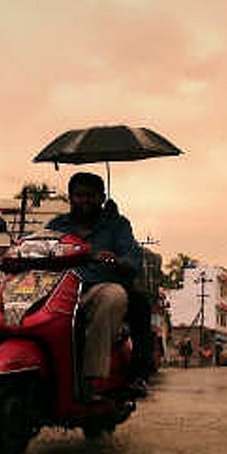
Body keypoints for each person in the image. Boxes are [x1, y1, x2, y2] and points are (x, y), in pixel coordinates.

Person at [47, 172, 144, 401]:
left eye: (91, 195)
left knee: (114, 296)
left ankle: (91, 379)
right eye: (79, 195)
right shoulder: (56, 225)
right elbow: (39, 247)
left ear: (102, 198)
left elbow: (133, 260)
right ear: (70, 197)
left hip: (98, 290)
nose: (85, 200)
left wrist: (116, 260)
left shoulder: (117, 226)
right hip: (60, 292)